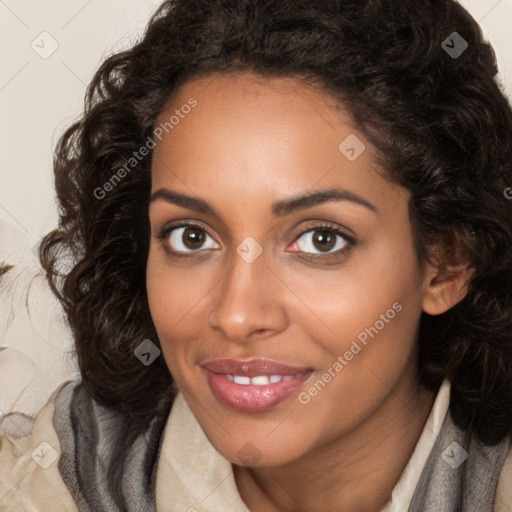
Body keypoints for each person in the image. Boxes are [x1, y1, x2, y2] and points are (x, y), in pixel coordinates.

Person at [1, 0, 511, 510]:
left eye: (320, 240)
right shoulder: (53, 473)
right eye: (191, 237)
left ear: (446, 265)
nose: (237, 315)